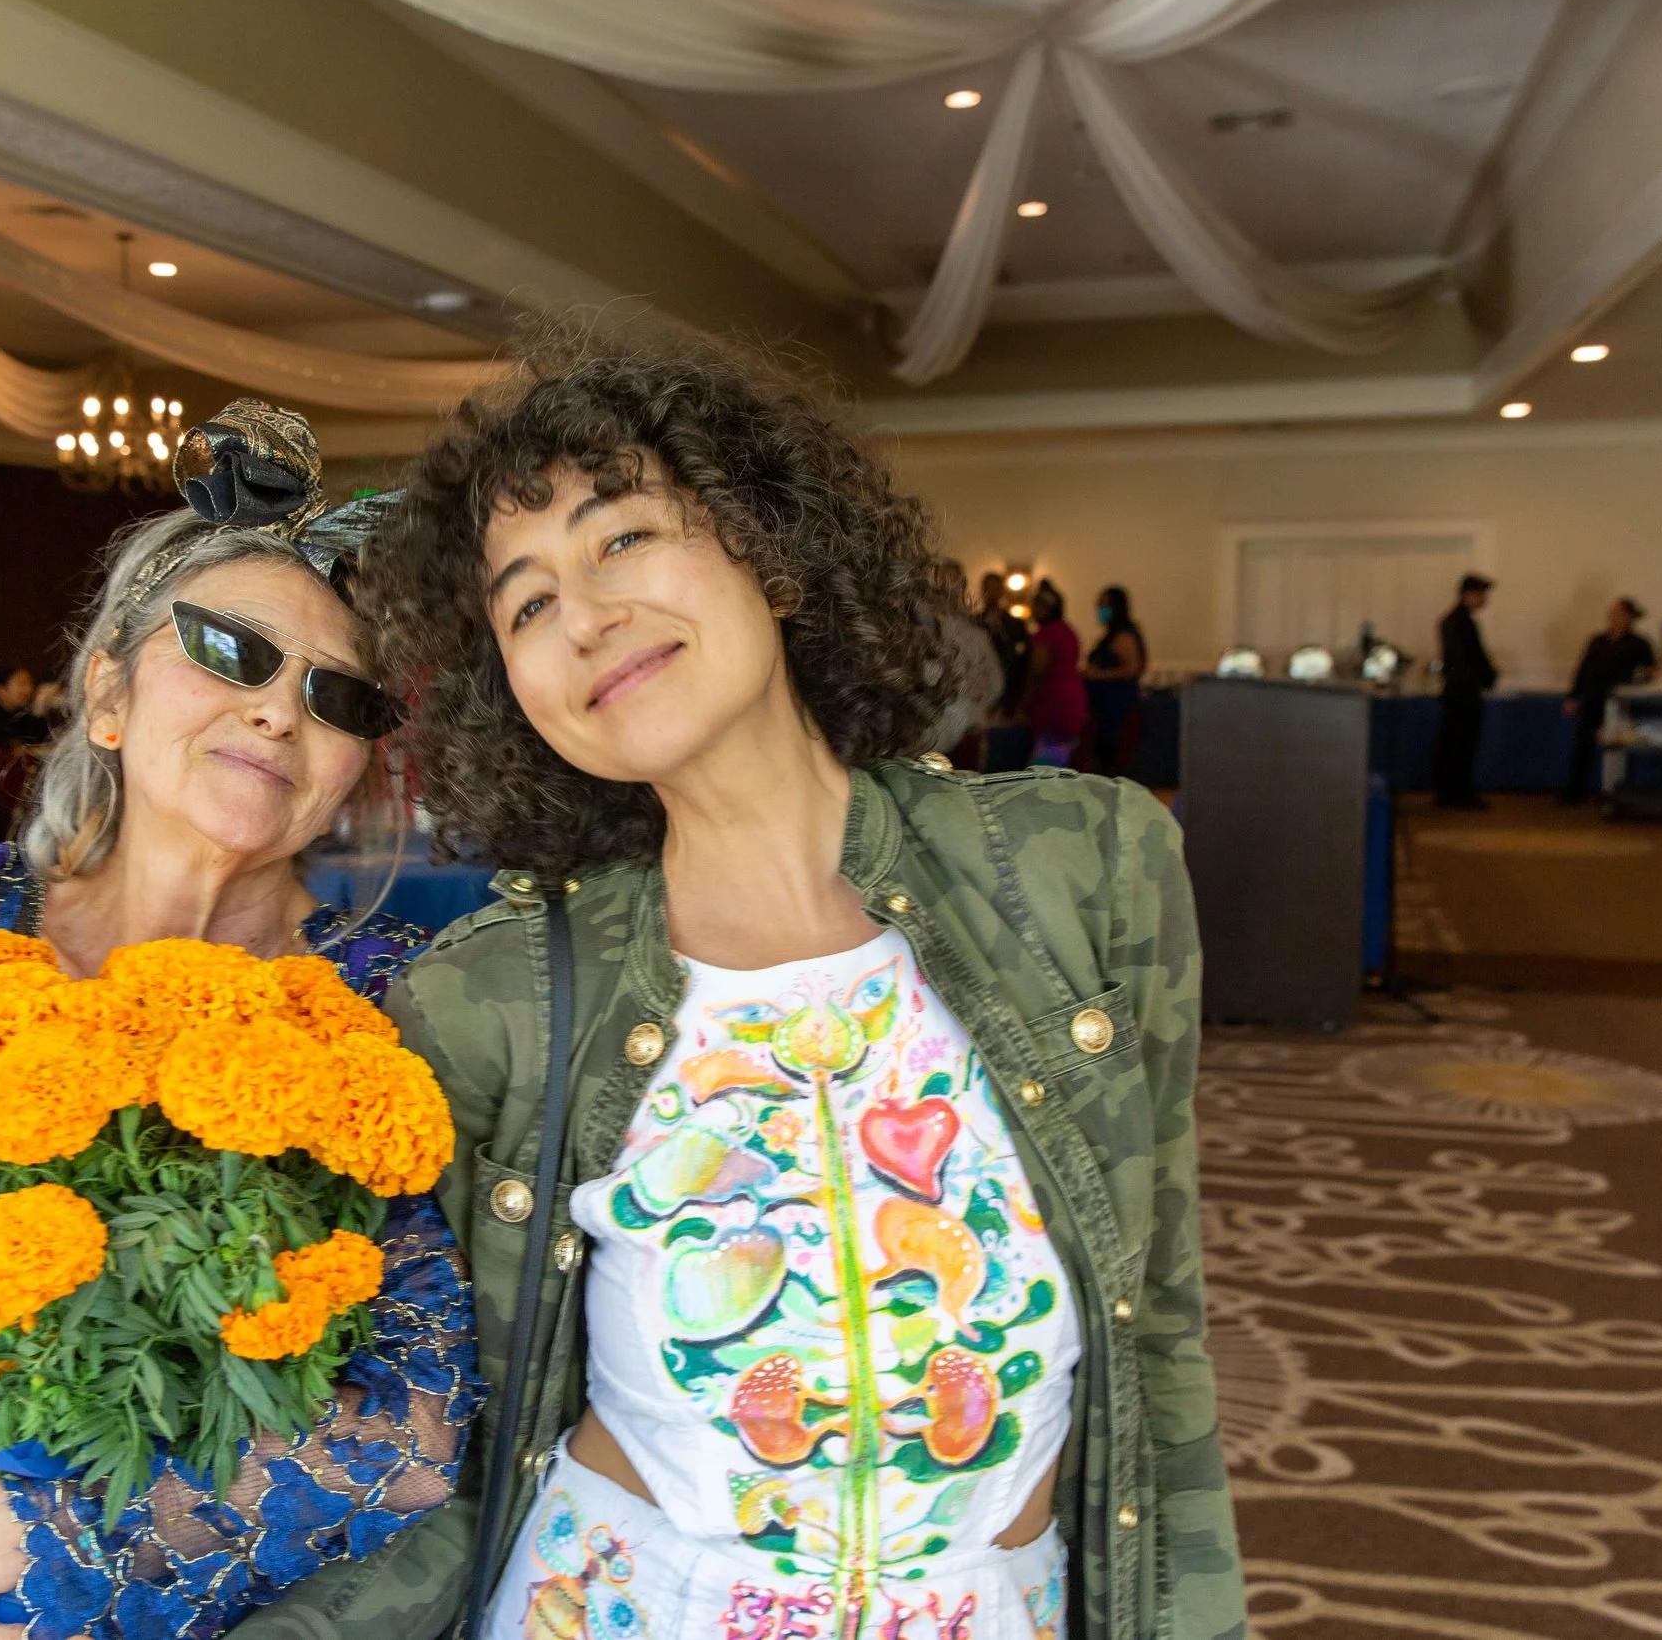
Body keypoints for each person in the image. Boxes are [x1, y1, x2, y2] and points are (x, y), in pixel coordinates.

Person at [342, 333, 1241, 1640]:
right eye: (526, 602)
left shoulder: (1082, 865)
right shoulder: (497, 989)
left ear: (769, 543)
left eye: (623, 537)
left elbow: (1159, 1326)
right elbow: (413, 1414)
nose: (584, 615)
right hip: (621, 1600)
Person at [0, 403, 478, 1640]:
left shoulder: (391, 998)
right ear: (106, 690)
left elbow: (417, 1432)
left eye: (339, 697)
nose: (280, 712)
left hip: (226, 1603)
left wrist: (51, 1548)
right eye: (229, 649)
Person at [1559, 597, 1657, 805]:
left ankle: (1615, 791)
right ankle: (1574, 792)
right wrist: (1573, 695)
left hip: (1619, 700)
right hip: (1593, 697)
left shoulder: (1639, 644)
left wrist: (1639, 683)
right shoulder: (1597, 641)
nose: (1612, 617)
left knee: (1618, 746)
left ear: (1629, 617)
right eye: (1611, 612)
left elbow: (1651, 670)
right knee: (1583, 745)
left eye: (1618, 613)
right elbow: (1583, 670)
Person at [925, 559, 1005, 764]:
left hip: (936, 737)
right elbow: (996, 685)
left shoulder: (924, 634)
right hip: (964, 732)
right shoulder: (976, 636)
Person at [1434, 572, 1498, 809]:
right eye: (1482, 594)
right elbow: (1470, 659)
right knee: (1461, 743)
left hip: (1457, 692)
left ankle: (1451, 793)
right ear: (1469, 594)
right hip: (1464, 694)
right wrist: (1486, 676)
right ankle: (1458, 794)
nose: (1485, 600)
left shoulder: (1452, 621)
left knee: (1454, 743)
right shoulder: (1460, 623)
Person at [1083, 585, 1148, 778]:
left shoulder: (1124, 635)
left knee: (1113, 761)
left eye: (1105, 605)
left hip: (1116, 710)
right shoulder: (1110, 636)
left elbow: (1133, 669)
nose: (1100, 610)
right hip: (1102, 710)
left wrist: (1099, 675)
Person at [1024, 579, 1086, 768]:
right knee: (1061, 758)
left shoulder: (1045, 634)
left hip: (1054, 701)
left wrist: (1024, 702)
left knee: (1046, 765)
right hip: (1072, 697)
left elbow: (1036, 671)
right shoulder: (1068, 631)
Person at [979, 571, 1034, 772]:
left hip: (1008, 701)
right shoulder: (973, 623)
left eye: (995, 588)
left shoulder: (1015, 626)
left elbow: (1024, 666)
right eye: (987, 588)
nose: (990, 593)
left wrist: (1019, 703)